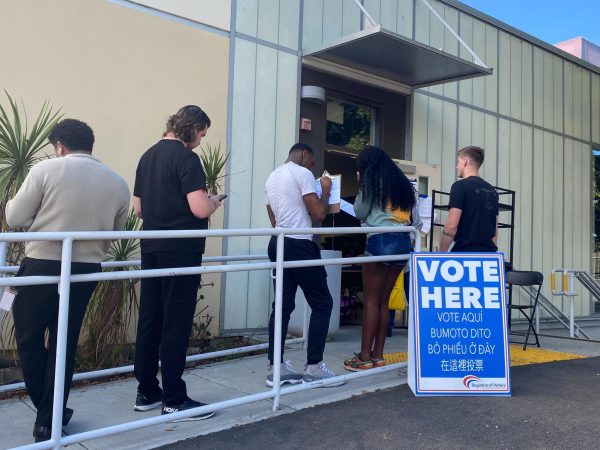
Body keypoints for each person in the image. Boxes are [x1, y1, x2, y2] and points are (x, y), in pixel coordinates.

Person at [6, 119, 130, 442]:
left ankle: (48, 414)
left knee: (30, 338)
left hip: (42, 265)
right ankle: (50, 417)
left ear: (59, 146)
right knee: (65, 341)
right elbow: (117, 235)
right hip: (86, 270)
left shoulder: (46, 171)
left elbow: (14, 217)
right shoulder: (117, 183)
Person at [132, 105, 221, 420]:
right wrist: (212, 201)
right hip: (181, 249)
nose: (200, 141)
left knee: (151, 317)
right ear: (192, 128)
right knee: (177, 321)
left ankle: (147, 391)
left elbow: (139, 209)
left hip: (152, 246)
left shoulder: (148, 156)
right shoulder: (186, 158)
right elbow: (198, 209)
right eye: (201, 133)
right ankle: (174, 397)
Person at [264, 143, 344, 387]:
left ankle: (275, 368)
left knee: (283, 306)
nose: (313, 168)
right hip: (300, 244)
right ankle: (314, 368)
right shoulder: (303, 173)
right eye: (312, 162)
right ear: (304, 154)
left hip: (278, 242)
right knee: (323, 303)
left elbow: (273, 217)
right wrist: (327, 190)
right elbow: (319, 213)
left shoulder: (272, 176)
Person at [343, 146, 416, 371]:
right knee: (384, 301)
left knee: (372, 301)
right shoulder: (402, 183)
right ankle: (378, 355)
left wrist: (360, 184)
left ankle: (364, 358)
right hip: (403, 242)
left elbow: (360, 212)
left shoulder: (371, 181)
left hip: (380, 241)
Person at [439, 146, 499, 253]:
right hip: (489, 254)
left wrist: (440, 254)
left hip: (465, 254)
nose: (457, 166)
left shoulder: (460, 186)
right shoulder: (492, 191)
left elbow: (451, 226)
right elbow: (494, 229)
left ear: (465, 162)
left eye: (458, 162)